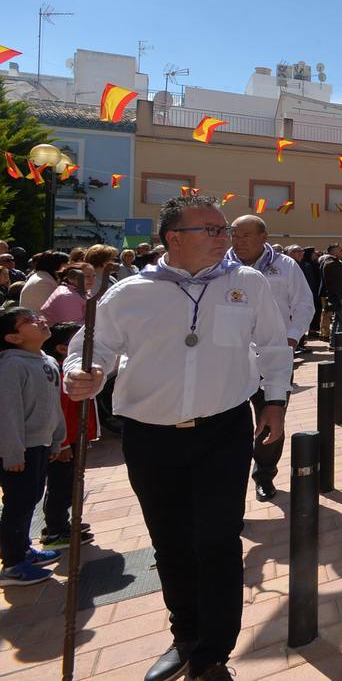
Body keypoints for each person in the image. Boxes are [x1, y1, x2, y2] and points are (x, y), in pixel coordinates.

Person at [63, 195, 293, 681]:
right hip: (151, 438)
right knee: (170, 542)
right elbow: (93, 347)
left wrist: (275, 403)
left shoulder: (246, 284)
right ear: (173, 238)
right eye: (209, 230)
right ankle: (184, 634)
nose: (222, 237)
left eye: (223, 229)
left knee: (217, 540)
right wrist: (83, 374)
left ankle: (213, 652)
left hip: (223, 431)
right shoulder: (129, 293)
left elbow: (273, 346)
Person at [227, 215, 315, 501]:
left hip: (273, 355)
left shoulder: (285, 266)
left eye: (246, 236)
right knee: (229, 422)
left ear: (264, 237)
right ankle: (231, 480)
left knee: (271, 417)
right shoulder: (220, 267)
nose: (238, 242)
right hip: (230, 357)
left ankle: (264, 474)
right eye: (234, 235)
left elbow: (303, 303)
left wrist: (291, 337)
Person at [0, 307, 65, 586]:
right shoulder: (12, 365)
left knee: (30, 498)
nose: (39, 321)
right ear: (13, 338)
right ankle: (13, 563)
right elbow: (8, 412)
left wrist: (57, 439)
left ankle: (22, 548)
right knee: (18, 502)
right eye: (27, 322)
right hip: (20, 449)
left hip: (40, 442)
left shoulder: (47, 359)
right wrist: (13, 451)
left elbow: (54, 404)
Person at [40, 321, 95, 549]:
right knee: (60, 485)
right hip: (65, 442)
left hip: (73, 439)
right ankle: (56, 530)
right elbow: (59, 412)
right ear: (64, 349)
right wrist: (61, 444)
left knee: (68, 483)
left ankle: (62, 523)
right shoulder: (66, 375)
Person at [318, 243, 342, 340]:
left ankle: (334, 341)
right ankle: (337, 342)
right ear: (334, 252)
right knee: (341, 320)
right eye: (340, 250)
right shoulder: (332, 263)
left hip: (338, 294)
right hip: (338, 295)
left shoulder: (334, 262)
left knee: (337, 320)